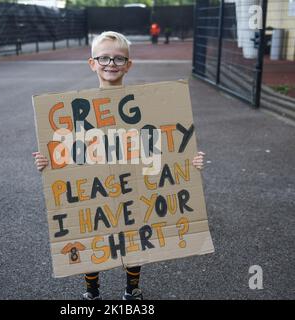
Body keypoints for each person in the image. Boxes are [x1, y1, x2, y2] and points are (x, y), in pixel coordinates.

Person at [32, 31, 205, 300]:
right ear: (92, 63)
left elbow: (161, 143)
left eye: (118, 59)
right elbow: (66, 152)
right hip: (94, 185)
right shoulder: (77, 108)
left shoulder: (145, 105)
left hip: (132, 182)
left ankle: (132, 288)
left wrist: (188, 160)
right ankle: (92, 292)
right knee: (93, 232)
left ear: (128, 64)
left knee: (134, 235)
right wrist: (48, 163)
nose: (110, 63)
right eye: (103, 58)